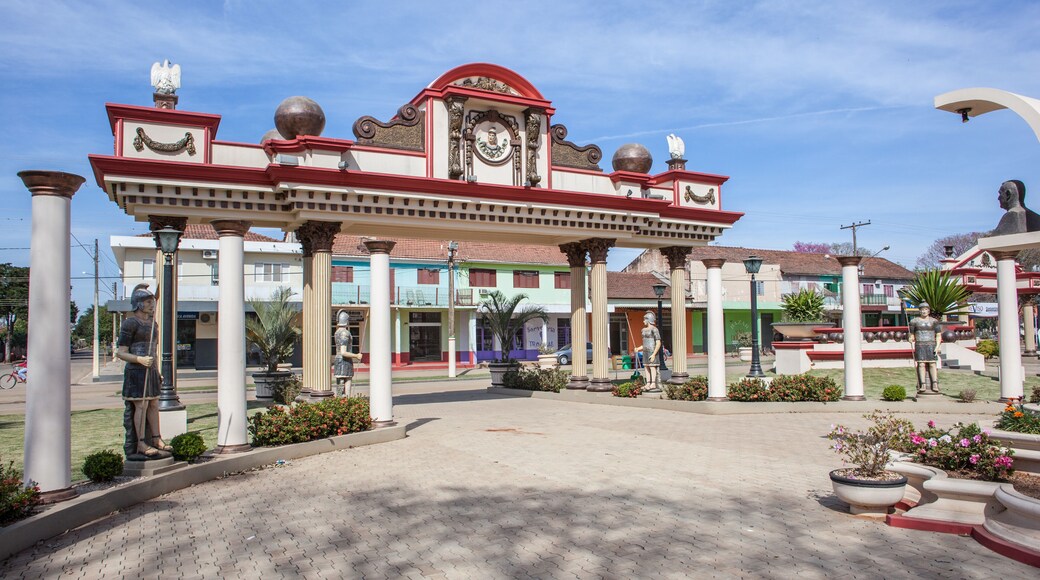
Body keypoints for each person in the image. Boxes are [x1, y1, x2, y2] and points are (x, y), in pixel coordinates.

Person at [115, 284, 170, 459]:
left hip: (151, 369)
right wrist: (139, 360)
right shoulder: (130, 323)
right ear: (138, 303)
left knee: (154, 404)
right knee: (141, 405)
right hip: (136, 371)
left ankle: (156, 438)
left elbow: (153, 350)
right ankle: (139, 442)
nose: (151, 305)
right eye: (147, 301)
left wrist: (157, 369)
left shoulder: (152, 324)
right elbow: (120, 352)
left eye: (152, 301)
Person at [908, 301, 943, 395]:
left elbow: (938, 335)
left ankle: (935, 383)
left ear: (929, 311)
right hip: (920, 344)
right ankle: (922, 383)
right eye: (922, 309)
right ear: (919, 311)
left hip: (931, 344)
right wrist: (910, 338)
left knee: (932, 364)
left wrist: (937, 346)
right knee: (921, 364)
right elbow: (911, 334)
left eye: (926, 309)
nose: (924, 311)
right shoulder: (914, 321)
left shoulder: (934, 321)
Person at [333, 310, 362, 397]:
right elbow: (343, 352)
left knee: (339, 387)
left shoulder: (337, 332)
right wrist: (356, 355)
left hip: (338, 360)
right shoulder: (345, 333)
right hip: (344, 361)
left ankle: (341, 402)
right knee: (346, 383)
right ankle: (348, 401)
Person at [634, 311, 662, 392]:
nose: (643, 321)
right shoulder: (643, 330)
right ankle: (648, 383)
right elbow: (645, 344)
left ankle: (653, 383)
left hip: (652, 351)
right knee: (646, 366)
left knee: (652, 367)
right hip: (645, 351)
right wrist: (638, 348)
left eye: (644, 319)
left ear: (649, 319)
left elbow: (658, 342)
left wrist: (654, 354)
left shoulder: (655, 329)